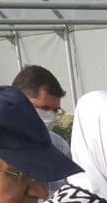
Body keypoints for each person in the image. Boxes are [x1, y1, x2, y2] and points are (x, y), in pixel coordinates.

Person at [12, 65, 71, 195]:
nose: (50, 116)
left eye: (55, 110)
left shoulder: (60, 146)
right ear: (17, 102)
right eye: (44, 108)